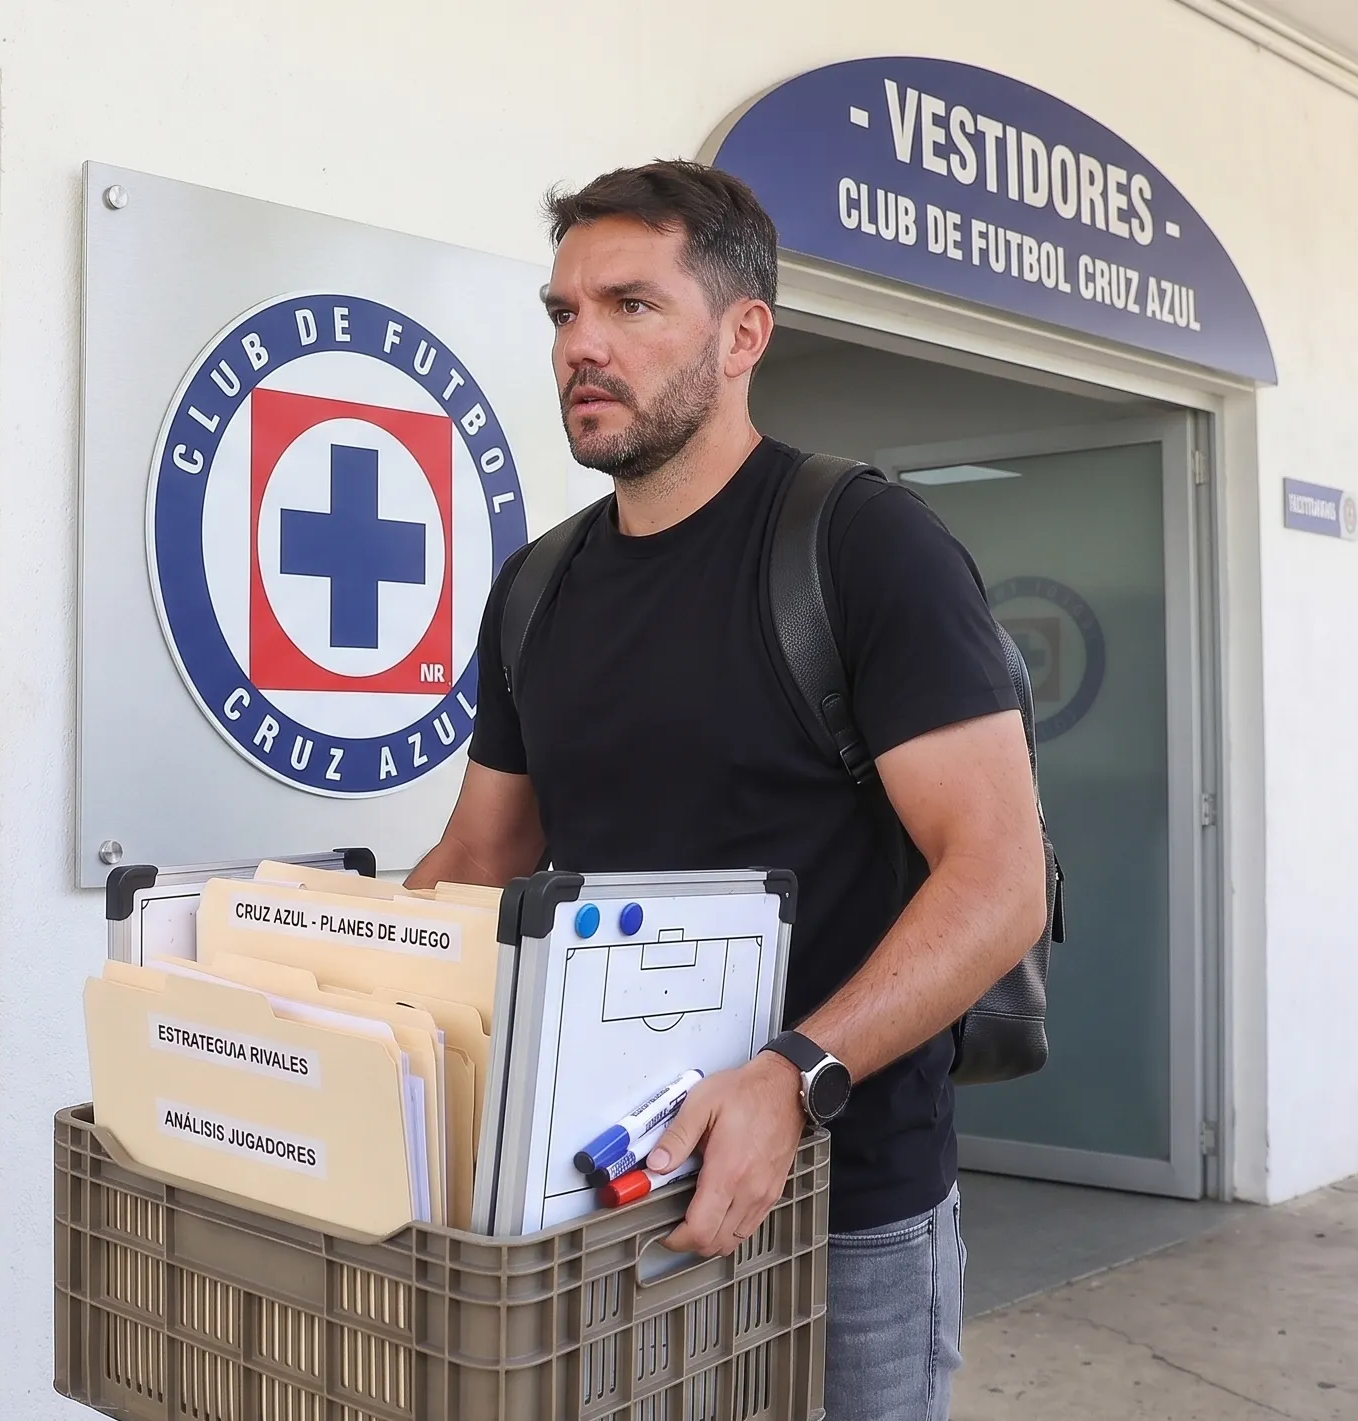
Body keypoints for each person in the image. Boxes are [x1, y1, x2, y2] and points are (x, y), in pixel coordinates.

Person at [405, 161, 1047, 1421]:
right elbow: (479, 858)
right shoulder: (537, 587)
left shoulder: (863, 546)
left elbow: (999, 875)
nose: (581, 344)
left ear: (742, 332)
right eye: (562, 312)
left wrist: (790, 1072)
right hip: (604, 1204)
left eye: (629, 306)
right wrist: (308, 1008)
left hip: (843, 1209)